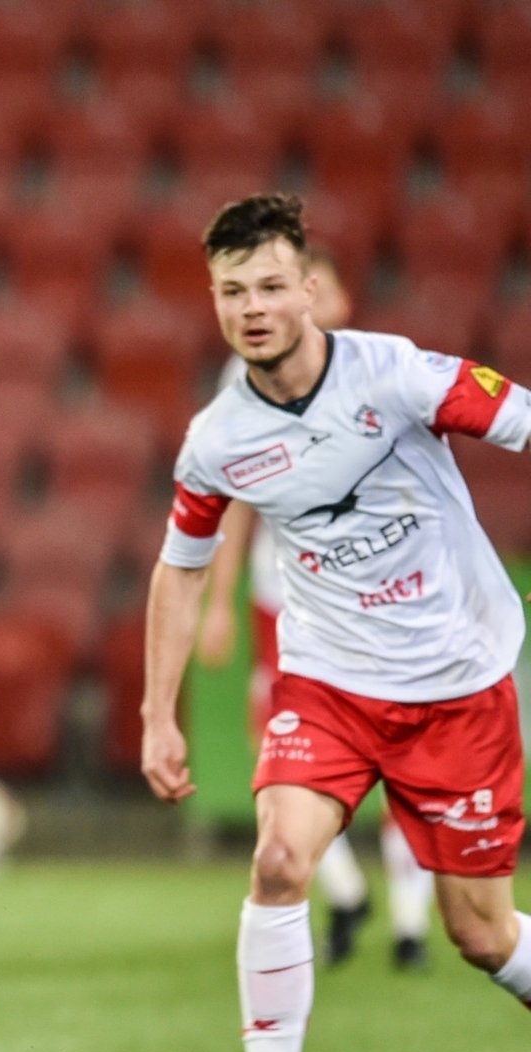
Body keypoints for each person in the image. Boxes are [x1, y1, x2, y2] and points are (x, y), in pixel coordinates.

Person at [141, 193, 531, 1052]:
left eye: (269, 284)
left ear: (308, 289)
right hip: (326, 683)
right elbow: (179, 567)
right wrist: (159, 710)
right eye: (231, 291)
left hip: (455, 683)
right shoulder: (216, 436)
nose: (251, 306)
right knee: (276, 859)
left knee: (479, 933)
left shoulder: (393, 373)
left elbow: (518, 416)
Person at [195, 250, 434, 969]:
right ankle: (349, 890)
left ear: (330, 300)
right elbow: (230, 503)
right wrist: (220, 601)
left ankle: (411, 925)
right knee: (279, 753)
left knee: (402, 755)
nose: (270, 306)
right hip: (289, 603)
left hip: (381, 601)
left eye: (295, 288)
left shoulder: (380, 371)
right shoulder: (242, 381)